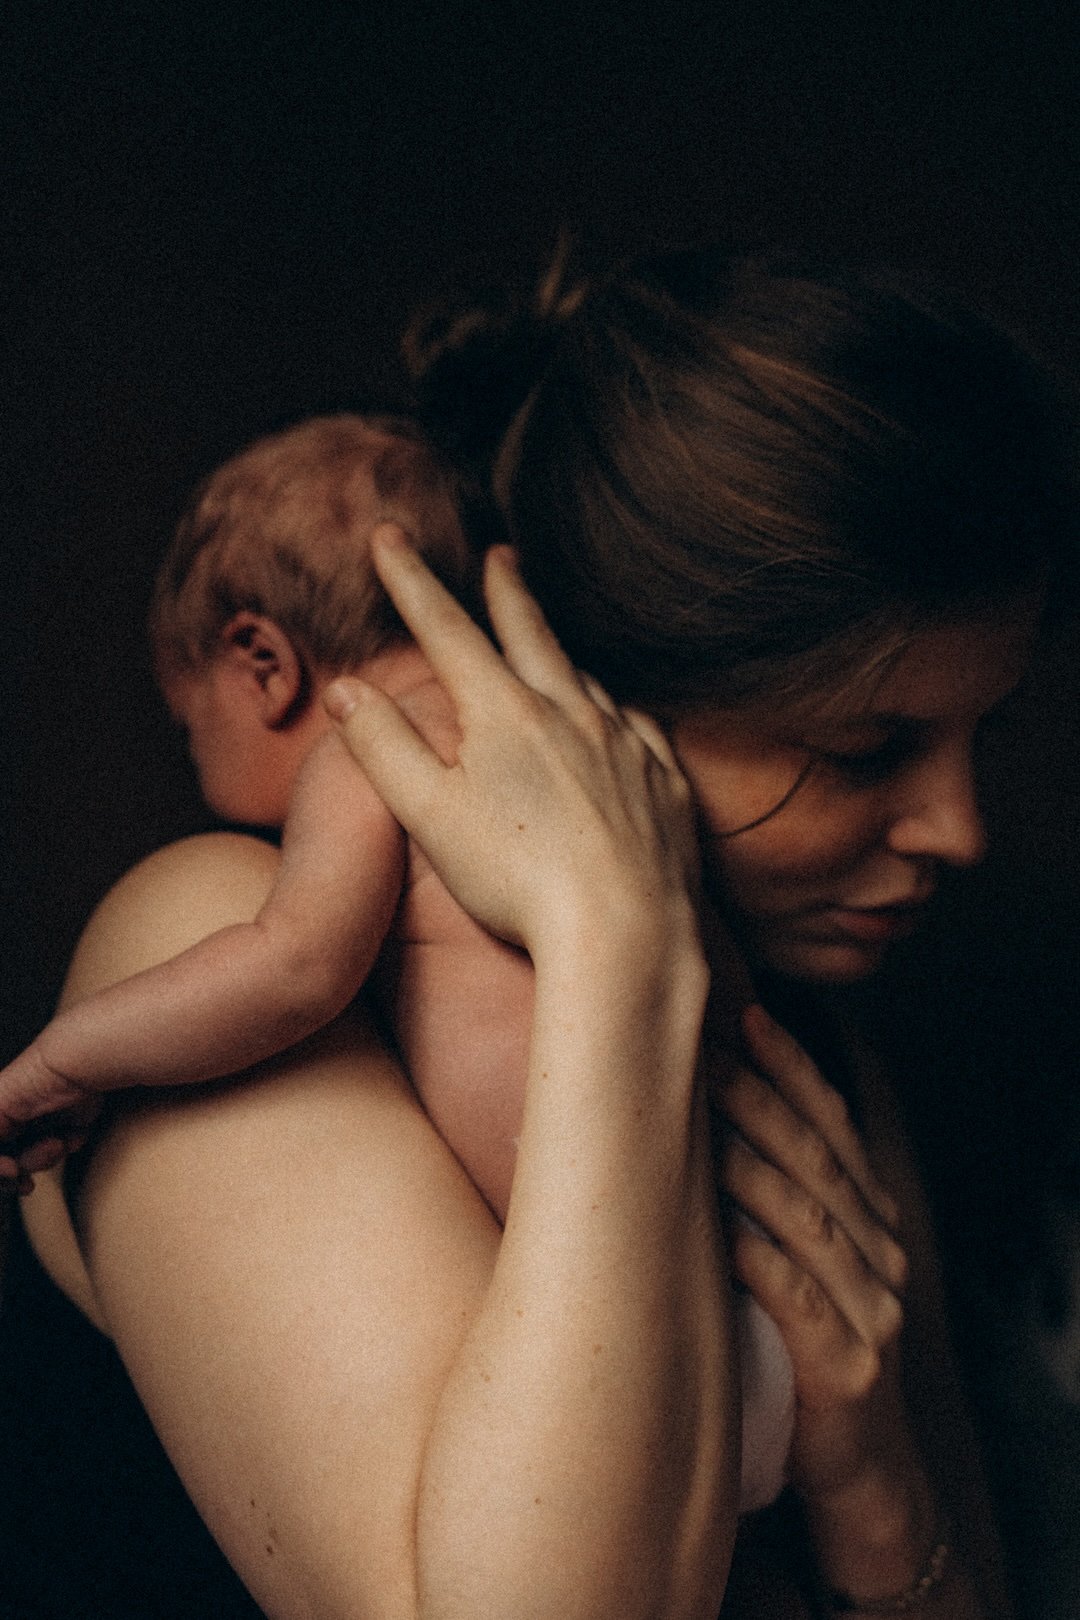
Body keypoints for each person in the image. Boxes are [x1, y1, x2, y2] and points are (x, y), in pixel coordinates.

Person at [15, 246, 1072, 1618]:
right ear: (587, 704)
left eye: (986, 734)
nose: (960, 830)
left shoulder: (806, 1052)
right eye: (864, 748)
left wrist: (879, 1493)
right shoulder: (202, 925)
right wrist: (608, 940)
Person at [1, 405, 794, 1514]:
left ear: (261, 662)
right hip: (754, 1315)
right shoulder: (581, 742)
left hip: (612, 1372)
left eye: (193, 728)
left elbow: (291, 969)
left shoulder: (372, 742)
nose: (195, 766)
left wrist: (66, 1060)